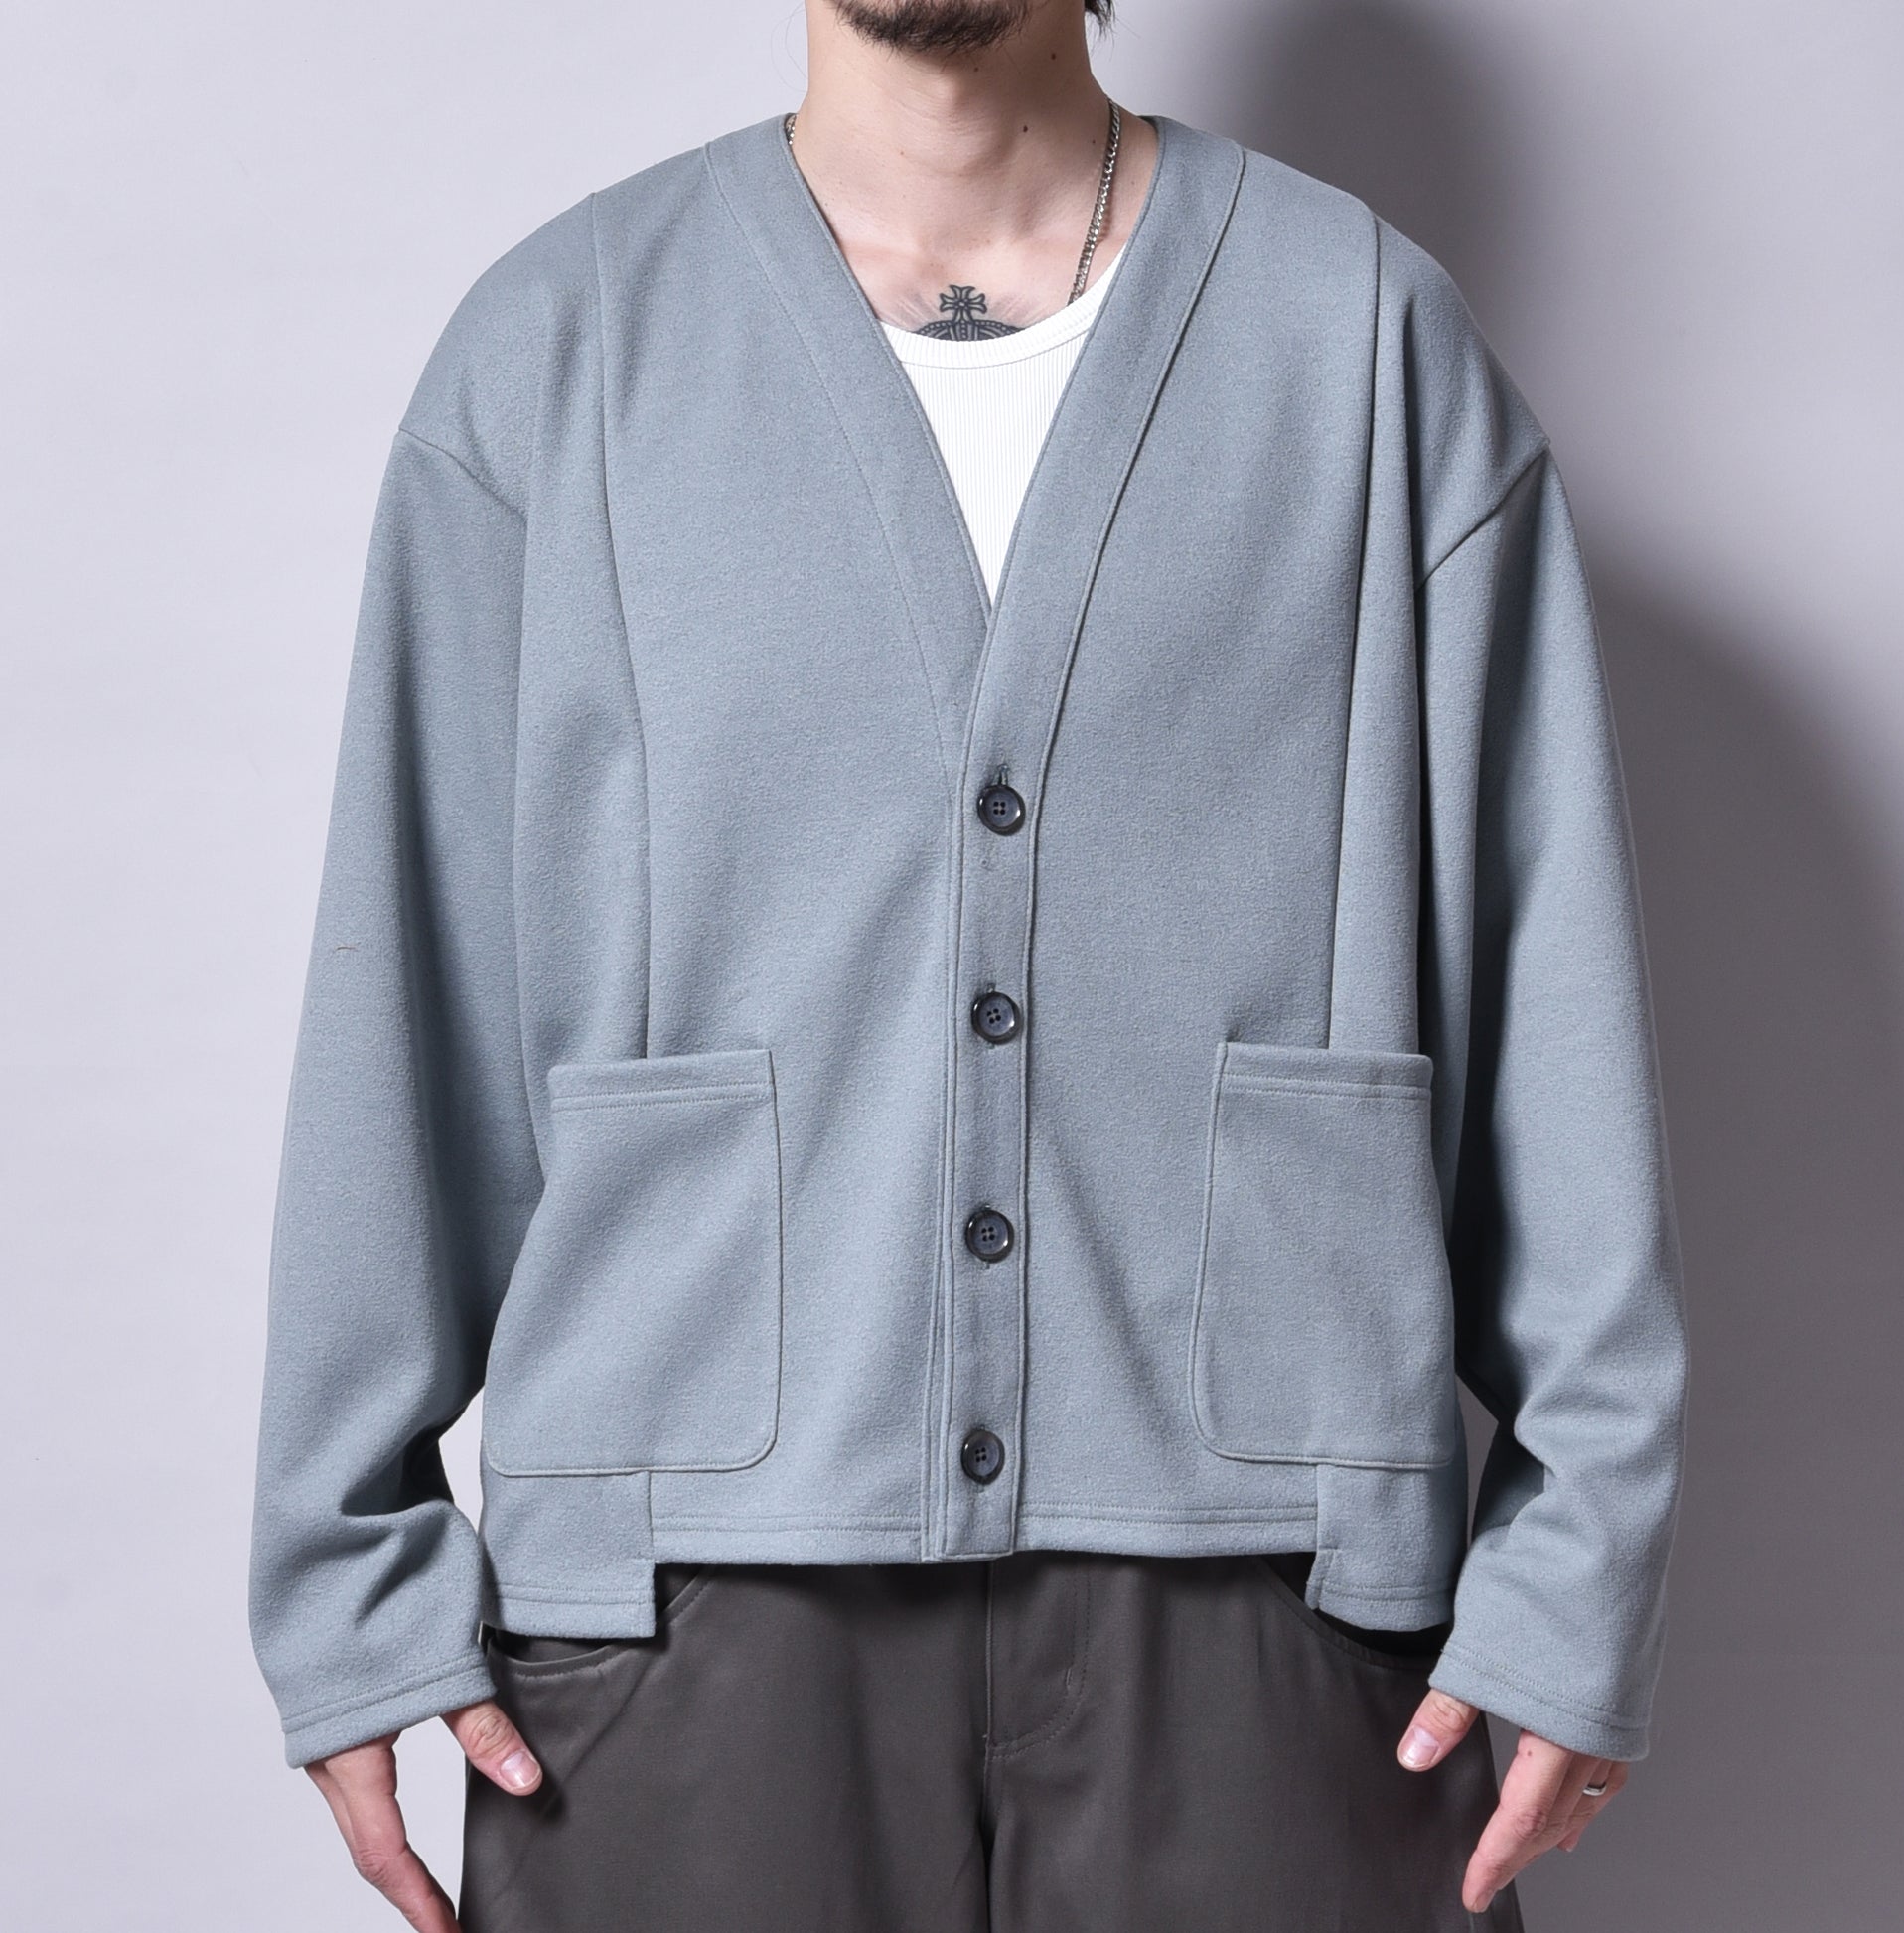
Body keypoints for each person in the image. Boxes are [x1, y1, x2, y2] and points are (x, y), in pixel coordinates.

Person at [247, 2, 1690, 1927]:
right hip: (682, 1591)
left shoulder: (1361, 338)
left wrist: (1577, 1560)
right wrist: (346, 1569)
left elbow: (1542, 974)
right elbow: (407, 979)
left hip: (1277, 1588)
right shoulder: (562, 348)